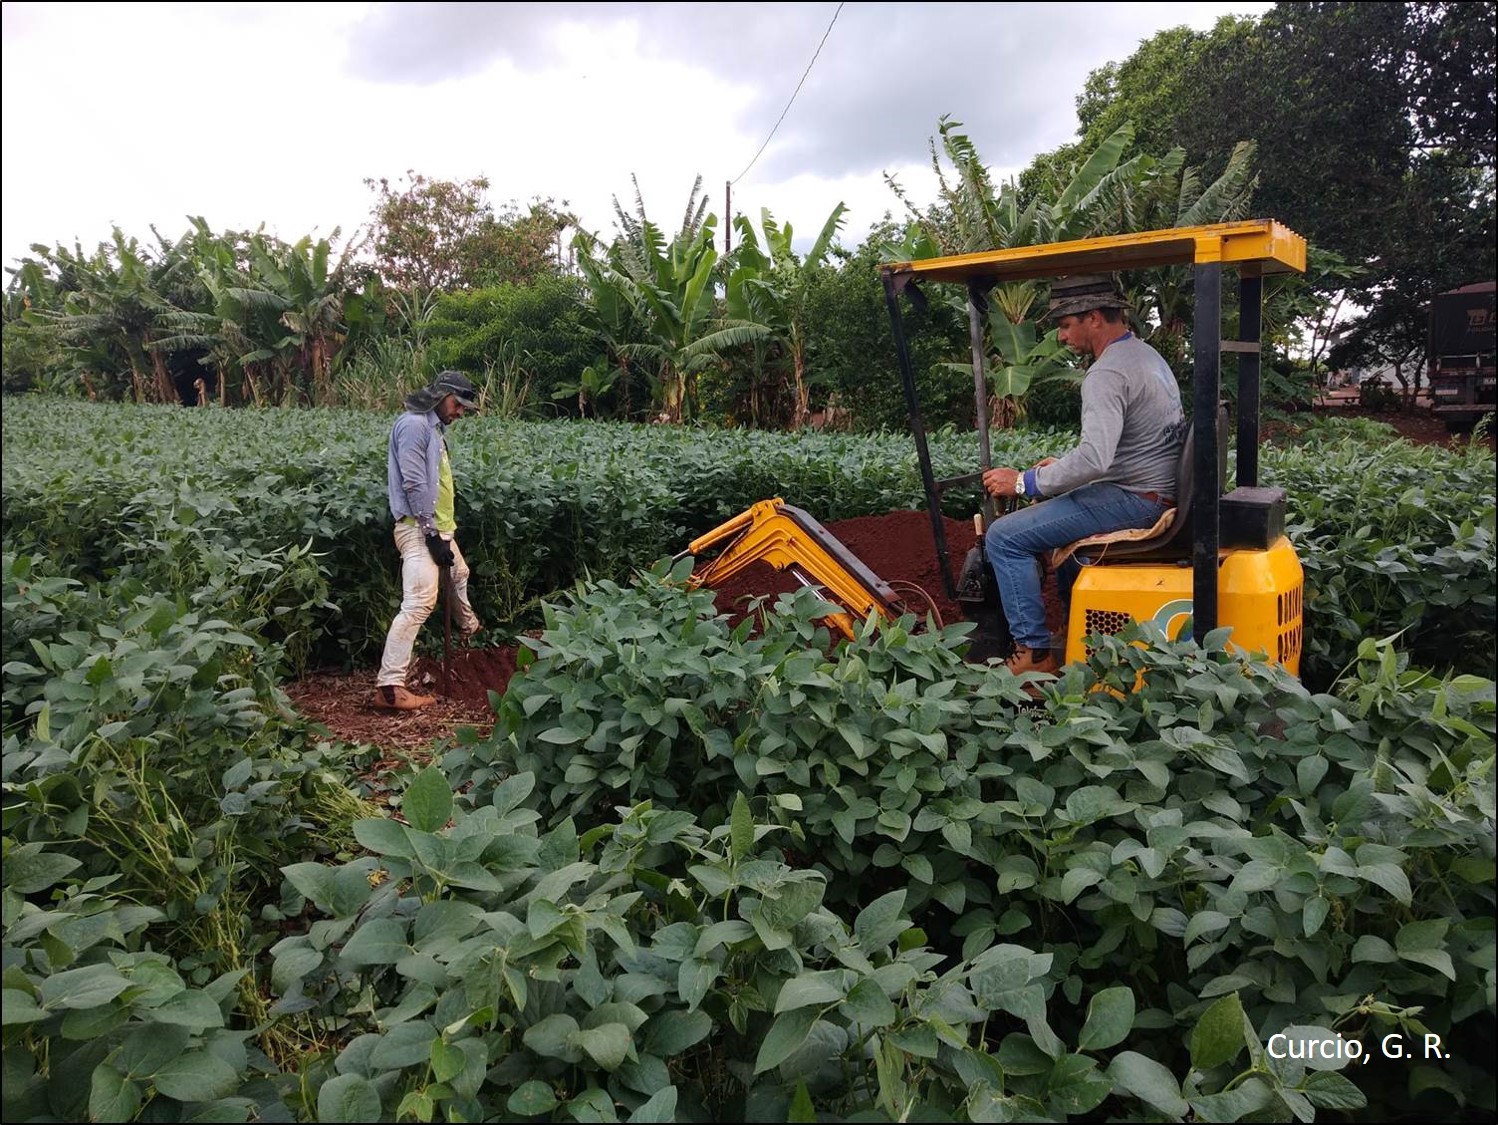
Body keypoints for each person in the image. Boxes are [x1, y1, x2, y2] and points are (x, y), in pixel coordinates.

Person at [981, 275, 1184, 676]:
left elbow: (1094, 458)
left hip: (1137, 500)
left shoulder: (1106, 373)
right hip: (1153, 489)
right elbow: (1120, 449)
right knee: (1057, 527)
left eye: (1065, 325)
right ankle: (1073, 630)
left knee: (1004, 538)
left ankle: (1033, 655)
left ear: (1093, 318)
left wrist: (1024, 482)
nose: (1060, 336)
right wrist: (1058, 471)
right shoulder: (1146, 357)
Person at [373, 370, 485, 710]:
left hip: (438, 528)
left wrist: (442, 533)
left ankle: (468, 628)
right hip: (419, 528)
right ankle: (389, 686)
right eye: (458, 404)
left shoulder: (433, 428)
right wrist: (432, 534)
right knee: (420, 601)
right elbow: (414, 483)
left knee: (458, 574)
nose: (460, 412)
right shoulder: (414, 426)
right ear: (441, 395)